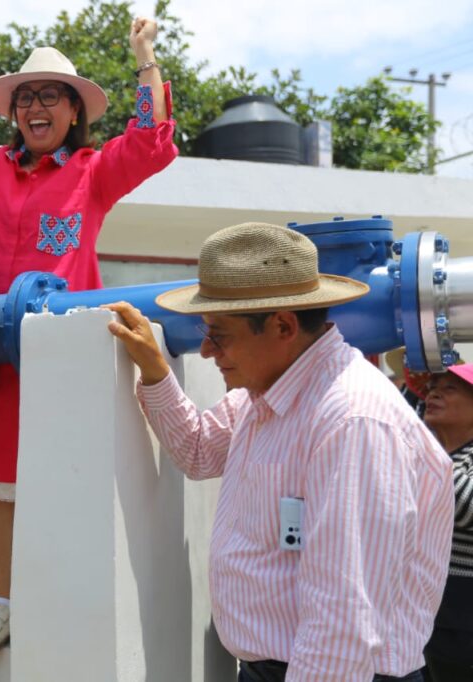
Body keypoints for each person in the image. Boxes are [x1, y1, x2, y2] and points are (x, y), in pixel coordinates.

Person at [0, 15, 177, 653]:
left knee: (63, 475)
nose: (35, 107)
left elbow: (154, 141)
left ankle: (57, 597)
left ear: (75, 111)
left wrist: (145, 56)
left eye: (50, 95)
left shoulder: (95, 172)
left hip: (58, 354)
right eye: (26, 97)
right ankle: (9, 603)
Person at [104, 222, 453, 681]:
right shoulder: (267, 393)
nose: (207, 351)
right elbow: (197, 450)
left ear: (284, 325)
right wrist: (154, 372)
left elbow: (342, 625)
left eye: (220, 334)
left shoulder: (352, 422)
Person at [420, 366, 473, 681]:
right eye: (431, 387)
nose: (432, 393)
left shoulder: (429, 459)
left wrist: (424, 454)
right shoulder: (434, 457)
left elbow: (468, 505)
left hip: (464, 613)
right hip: (429, 610)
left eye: (449, 388)